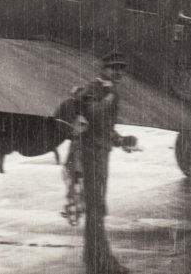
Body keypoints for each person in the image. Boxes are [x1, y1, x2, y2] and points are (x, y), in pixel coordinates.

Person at [55, 52, 135, 274]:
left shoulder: (107, 91)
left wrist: (121, 140)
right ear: (103, 69)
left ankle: (94, 258)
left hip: (99, 155)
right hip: (90, 157)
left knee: (96, 209)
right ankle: (101, 262)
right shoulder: (95, 89)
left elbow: (104, 128)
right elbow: (94, 115)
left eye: (121, 69)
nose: (118, 72)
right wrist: (109, 96)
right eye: (113, 68)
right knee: (96, 209)